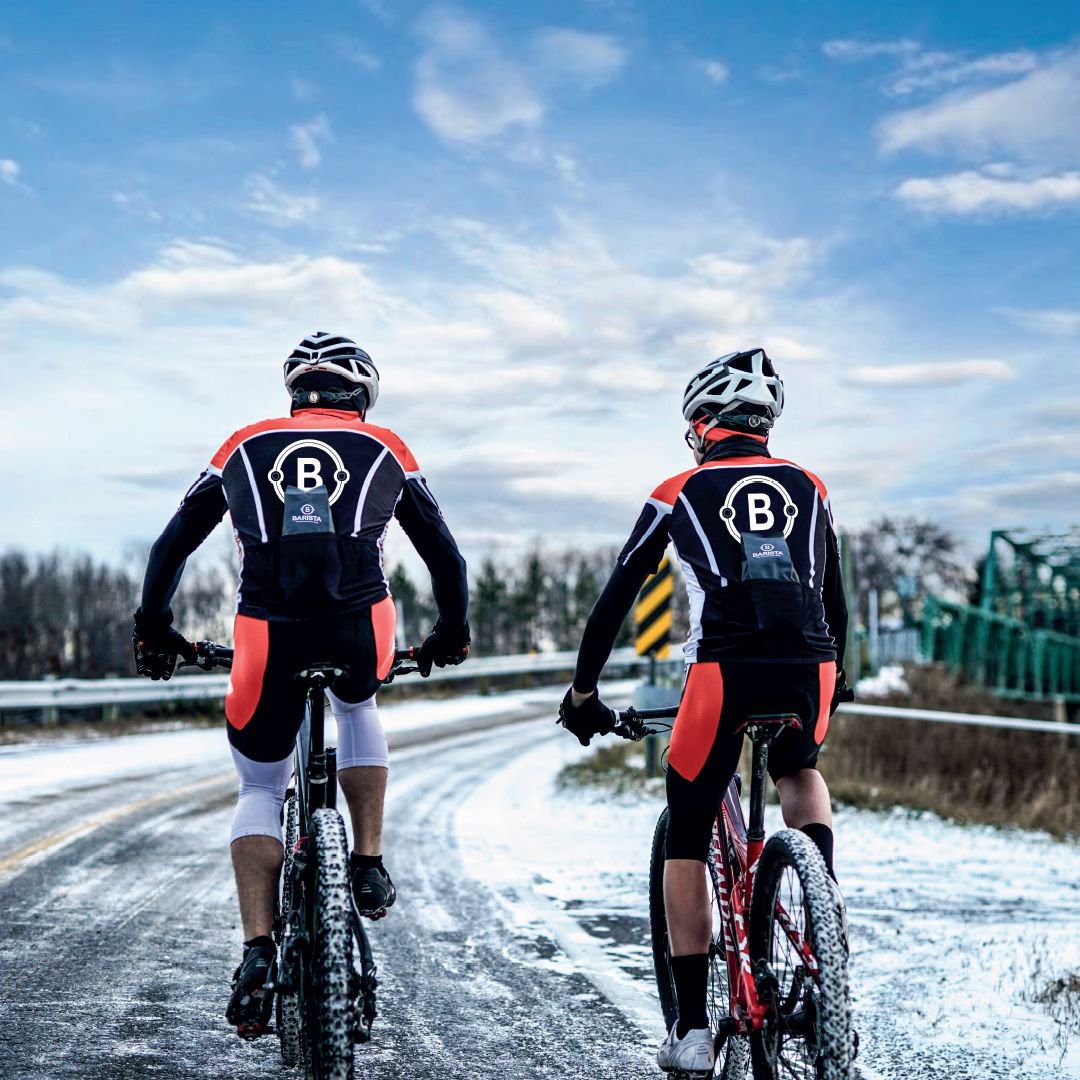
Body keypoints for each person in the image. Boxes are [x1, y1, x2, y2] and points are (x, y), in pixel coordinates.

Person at [132, 331, 469, 1037]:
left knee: (259, 787)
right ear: (363, 393)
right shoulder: (388, 448)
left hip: (265, 632)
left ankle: (258, 952)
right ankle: (368, 861)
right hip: (358, 625)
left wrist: (154, 628)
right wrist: (451, 631)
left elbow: (173, 544)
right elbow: (444, 553)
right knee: (358, 704)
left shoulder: (241, 445)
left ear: (295, 392)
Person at [558, 348, 852, 1077]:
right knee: (798, 766)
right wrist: (837, 675)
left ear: (701, 424)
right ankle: (824, 936)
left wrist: (584, 692)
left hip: (724, 669)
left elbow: (616, 599)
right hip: (810, 664)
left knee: (686, 829)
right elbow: (834, 596)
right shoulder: (810, 486)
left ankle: (691, 1026)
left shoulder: (678, 489)